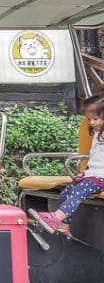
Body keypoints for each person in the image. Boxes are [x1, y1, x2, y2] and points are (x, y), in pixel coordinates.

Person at [29, 93, 104, 237]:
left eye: (96, 119)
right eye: (90, 119)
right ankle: (64, 227)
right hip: (91, 175)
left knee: (78, 192)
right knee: (65, 193)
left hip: (100, 177)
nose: (92, 123)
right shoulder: (97, 133)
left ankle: (56, 218)